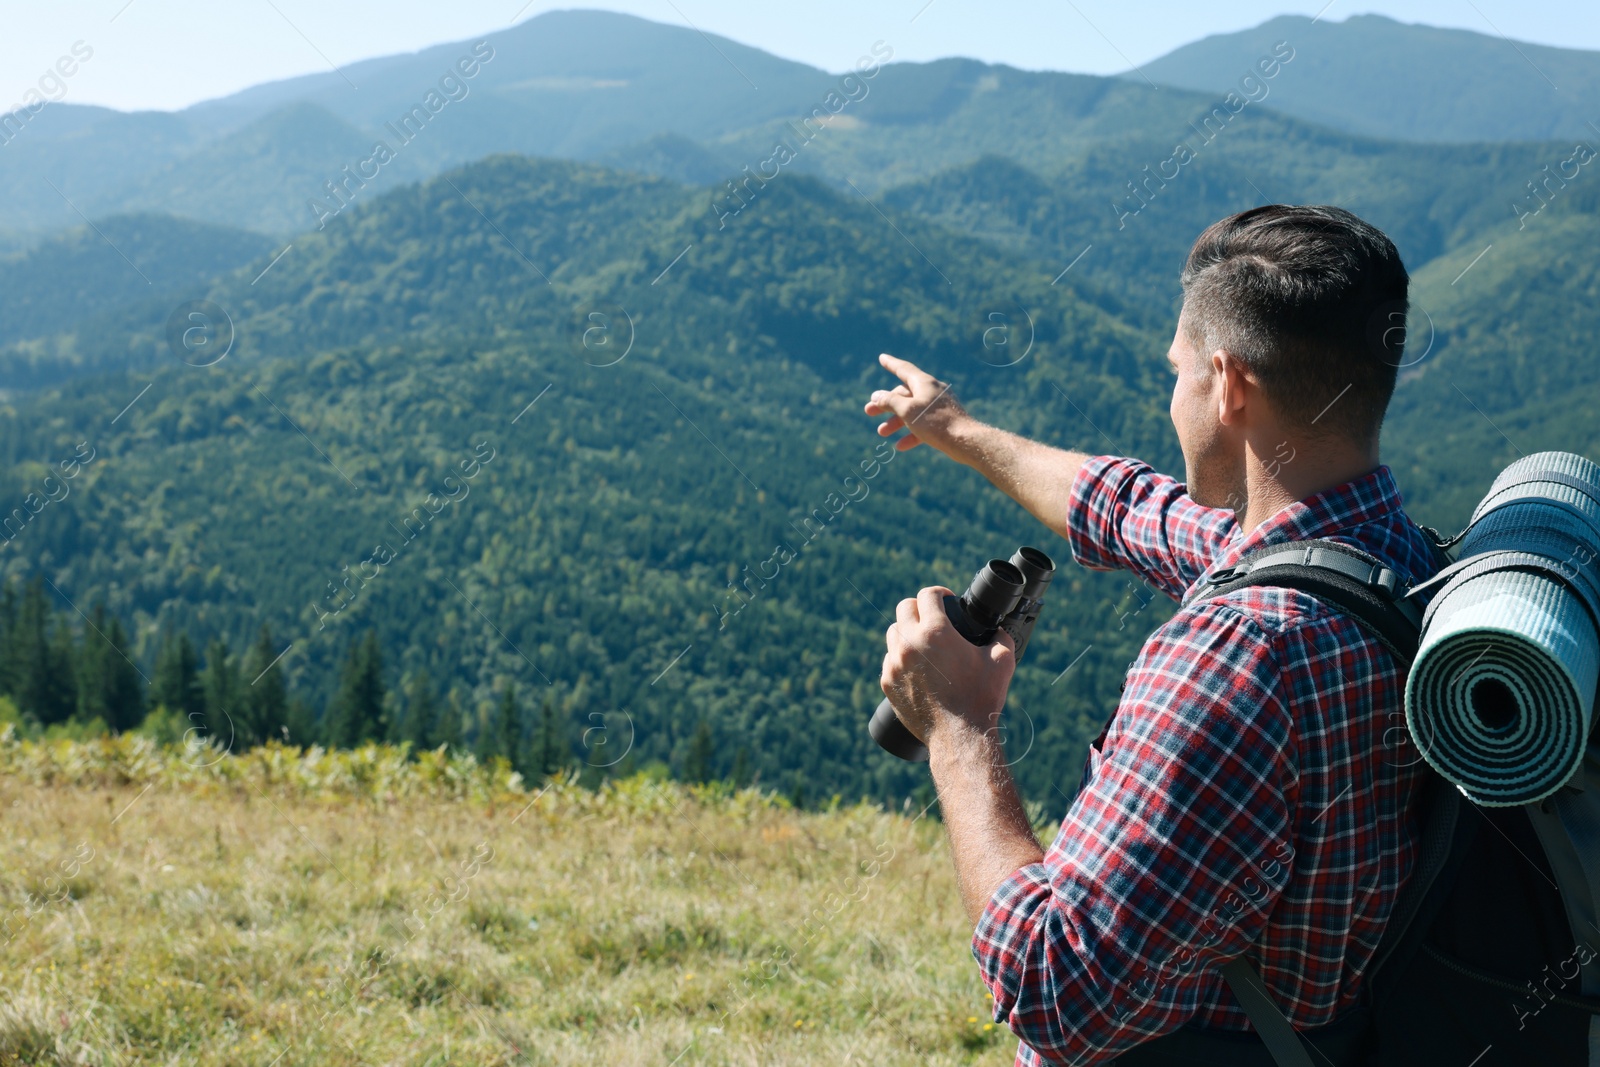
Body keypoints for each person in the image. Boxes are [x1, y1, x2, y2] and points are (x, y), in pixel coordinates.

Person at [866, 205, 1443, 1065]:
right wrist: (954, 427)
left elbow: (1058, 992)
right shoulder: (1391, 557)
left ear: (1229, 382)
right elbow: (1130, 508)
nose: (1171, 396)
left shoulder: (1236, 657)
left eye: (1179, 372)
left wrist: (957, 725)